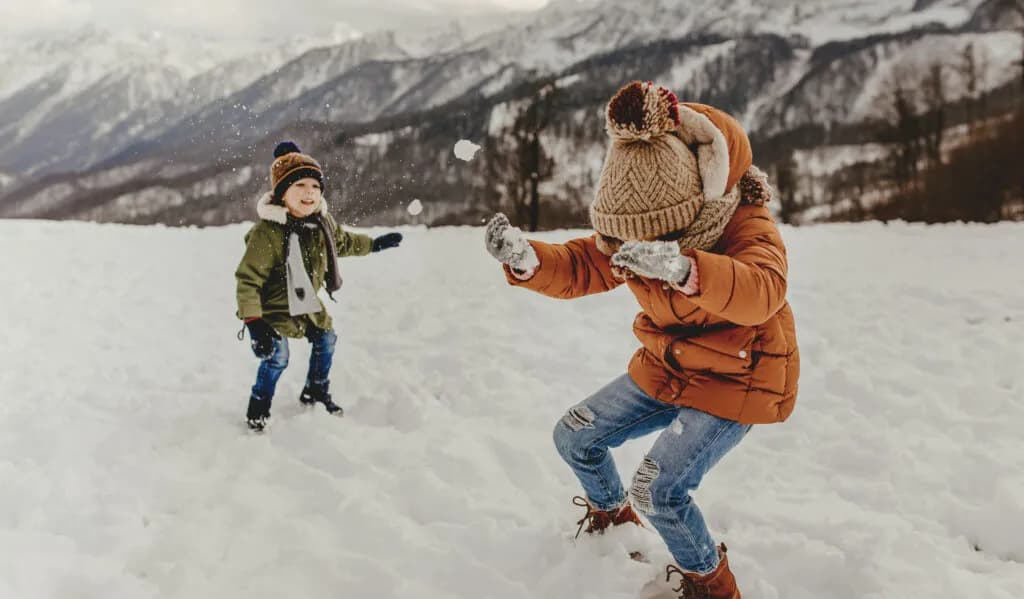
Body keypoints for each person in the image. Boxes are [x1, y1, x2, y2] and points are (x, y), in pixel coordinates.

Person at [484, 81, 799, 598]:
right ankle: (615, 527)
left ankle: (713, 587)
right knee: (575, 436)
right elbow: (588, 263)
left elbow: (763, 291)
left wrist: (685, 268)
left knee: (659, 489)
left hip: (739, 377)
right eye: (628, 238)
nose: (635, 249)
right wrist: (529, 261)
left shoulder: (745, 220)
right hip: (670, 365)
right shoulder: (632, 229)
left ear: (689, 212)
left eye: (652, 239)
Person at [235, 141, 403, 432]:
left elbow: (343, 243)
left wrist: (374, 245)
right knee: (278, 358)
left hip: (307, 302)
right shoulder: (267, 233)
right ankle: (258, 406)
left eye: (315, 185)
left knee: (326, 339)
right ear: (281, 193)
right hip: (274, 308)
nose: (309, 192)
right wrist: (254, 322)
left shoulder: (323, 223)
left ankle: (316, 389)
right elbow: (248, 280)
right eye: (299, 185)